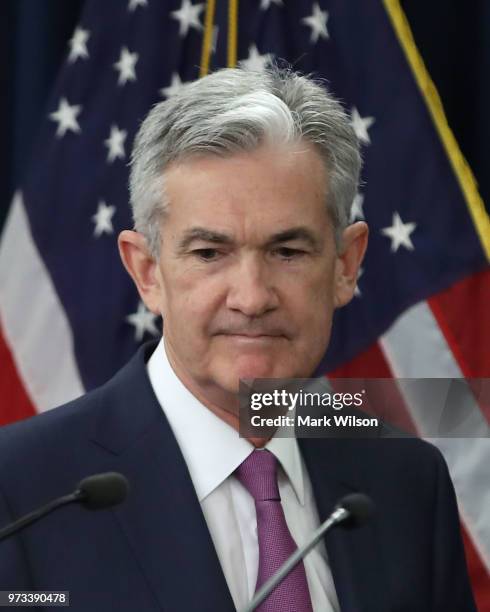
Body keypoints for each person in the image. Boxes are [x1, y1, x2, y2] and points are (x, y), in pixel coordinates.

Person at [0, 66, 476, 611]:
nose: (252, 298)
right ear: (147, 272)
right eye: (209, 254)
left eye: (288, 252)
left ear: (346, 265)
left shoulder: (407, 482)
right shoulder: (24, 492)